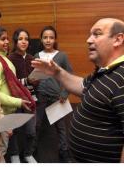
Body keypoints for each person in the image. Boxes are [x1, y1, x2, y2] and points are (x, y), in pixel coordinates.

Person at [31, 18, 124, 163]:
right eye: (89, 34)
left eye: (97, 34)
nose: (88, 40)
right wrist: (56, 72)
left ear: (118, 39)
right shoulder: (104, 71)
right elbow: (83, 86)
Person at [0, 26, 35, 162]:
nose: (6, 42)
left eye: (7, 38)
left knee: (1, 151)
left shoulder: (3, 59)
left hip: (8, 111)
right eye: (2, 39)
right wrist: (18, 101)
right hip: (3, 113)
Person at [34, 26, 72, 163]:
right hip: (40, 96)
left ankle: (64, 152)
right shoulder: (37, 55)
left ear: (55, 39)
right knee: (36, 124)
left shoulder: (62, 56)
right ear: (41, 39)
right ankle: (31, 151)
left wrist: (65, 92)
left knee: (61, 127)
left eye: (51, 37)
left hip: (57, 97)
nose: (48, 40)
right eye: (45, 37)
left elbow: (70, 75)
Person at [8, 28, 38, 163]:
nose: (24, 42)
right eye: (20, 39)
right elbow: (11, 82)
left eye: (26, 39)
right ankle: (14, 154)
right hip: (15, 99)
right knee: (14, 130)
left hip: (31, 98)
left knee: (31, 131)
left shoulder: (32, 59)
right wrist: (27, 81)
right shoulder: (10, 59)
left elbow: (36, 79)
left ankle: (28, 153)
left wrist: (37, 80)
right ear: (15, 41)